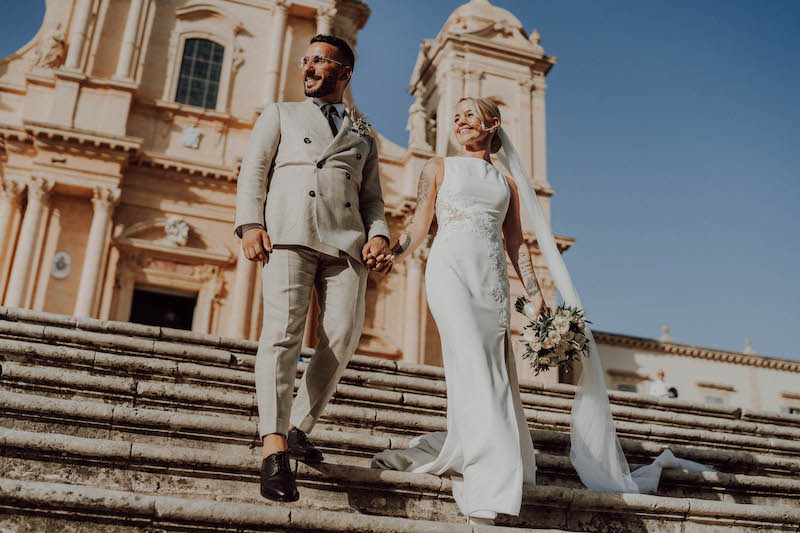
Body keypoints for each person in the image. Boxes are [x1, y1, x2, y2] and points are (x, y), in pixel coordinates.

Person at [372, 97, 711, 525]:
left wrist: (536, 298)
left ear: (493, 124)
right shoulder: (437, 168)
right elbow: (419, 225)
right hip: (449, 273)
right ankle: (489, 471)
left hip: (491, 283)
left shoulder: (508, 185)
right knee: (473, 364)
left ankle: (490, 458)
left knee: (494, 369)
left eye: (470, 114)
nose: (460, 121)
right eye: (456, 116)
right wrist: (394, 255)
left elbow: (515, 245)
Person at [234, 34, 393, 503]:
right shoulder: (280, 113)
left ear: (345, 73)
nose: (308, 66)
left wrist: (379, 232)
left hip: (345, 242)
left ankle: (300, 425)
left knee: (342, 335)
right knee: (282, 335)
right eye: (306, 59)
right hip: (289, 230)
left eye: (320, 61)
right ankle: (274, 449)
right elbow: (253, 169)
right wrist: (249, 224)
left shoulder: (364, 133)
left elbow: (372, 198)